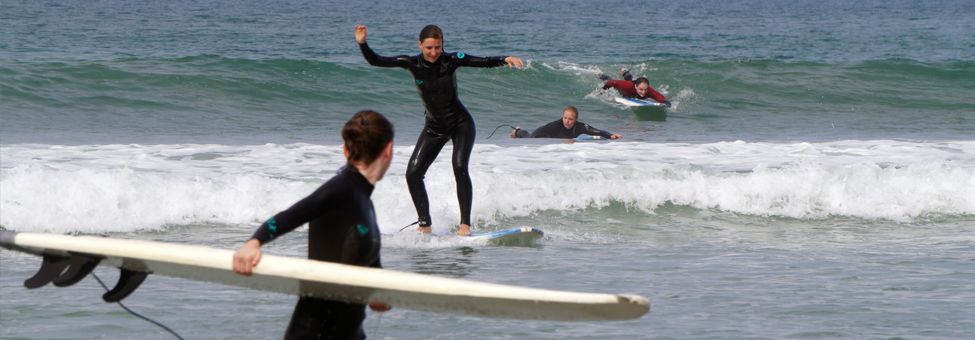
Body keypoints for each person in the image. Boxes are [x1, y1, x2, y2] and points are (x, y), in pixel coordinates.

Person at [232, 110, 394, 340]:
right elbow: (291, 215)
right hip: (313, 333)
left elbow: (369, 264)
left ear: (345, 150)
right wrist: (253, 243)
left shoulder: (365, 204)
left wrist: (376, 294)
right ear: (389, 150)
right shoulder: (342, 188)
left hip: (350, 333)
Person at [355, 24, 524, 236]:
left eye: (437, 47)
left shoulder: (451, 60)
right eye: (429, 48)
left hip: (461, 124)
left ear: (442, 45)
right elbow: (376, 60)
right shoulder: (410, 63)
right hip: (434, 127)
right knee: (413, 174)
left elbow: (480, 61)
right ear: (420, 45)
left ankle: (465, 225)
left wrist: (504, 58)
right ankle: (425, 225)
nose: (434, 52)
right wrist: (362, 43)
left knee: (460, 167)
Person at [511, 106, 622, 140]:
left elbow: (597, 131)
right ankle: (517, 131)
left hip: (562, 146)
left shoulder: (580, 127)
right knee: (528, 136)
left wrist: (611, 135)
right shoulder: (554, 126)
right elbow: (534, 137)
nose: (567, 121)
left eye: (570, 119)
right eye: (565, 118)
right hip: (543, 133)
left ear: (576, 119)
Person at [600, 69, 671, 107]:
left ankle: (626, 72)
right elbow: (612, 83)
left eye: (645, 89)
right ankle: (600, 74)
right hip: (624, 90)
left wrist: (666, 103)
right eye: (641, 89)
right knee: (607, 79)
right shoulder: (628, 86)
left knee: (629, 80)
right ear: (636, 86)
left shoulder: (649, 91)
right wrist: (602, 92)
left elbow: (661, 98)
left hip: (633, 89)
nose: (643, 92)